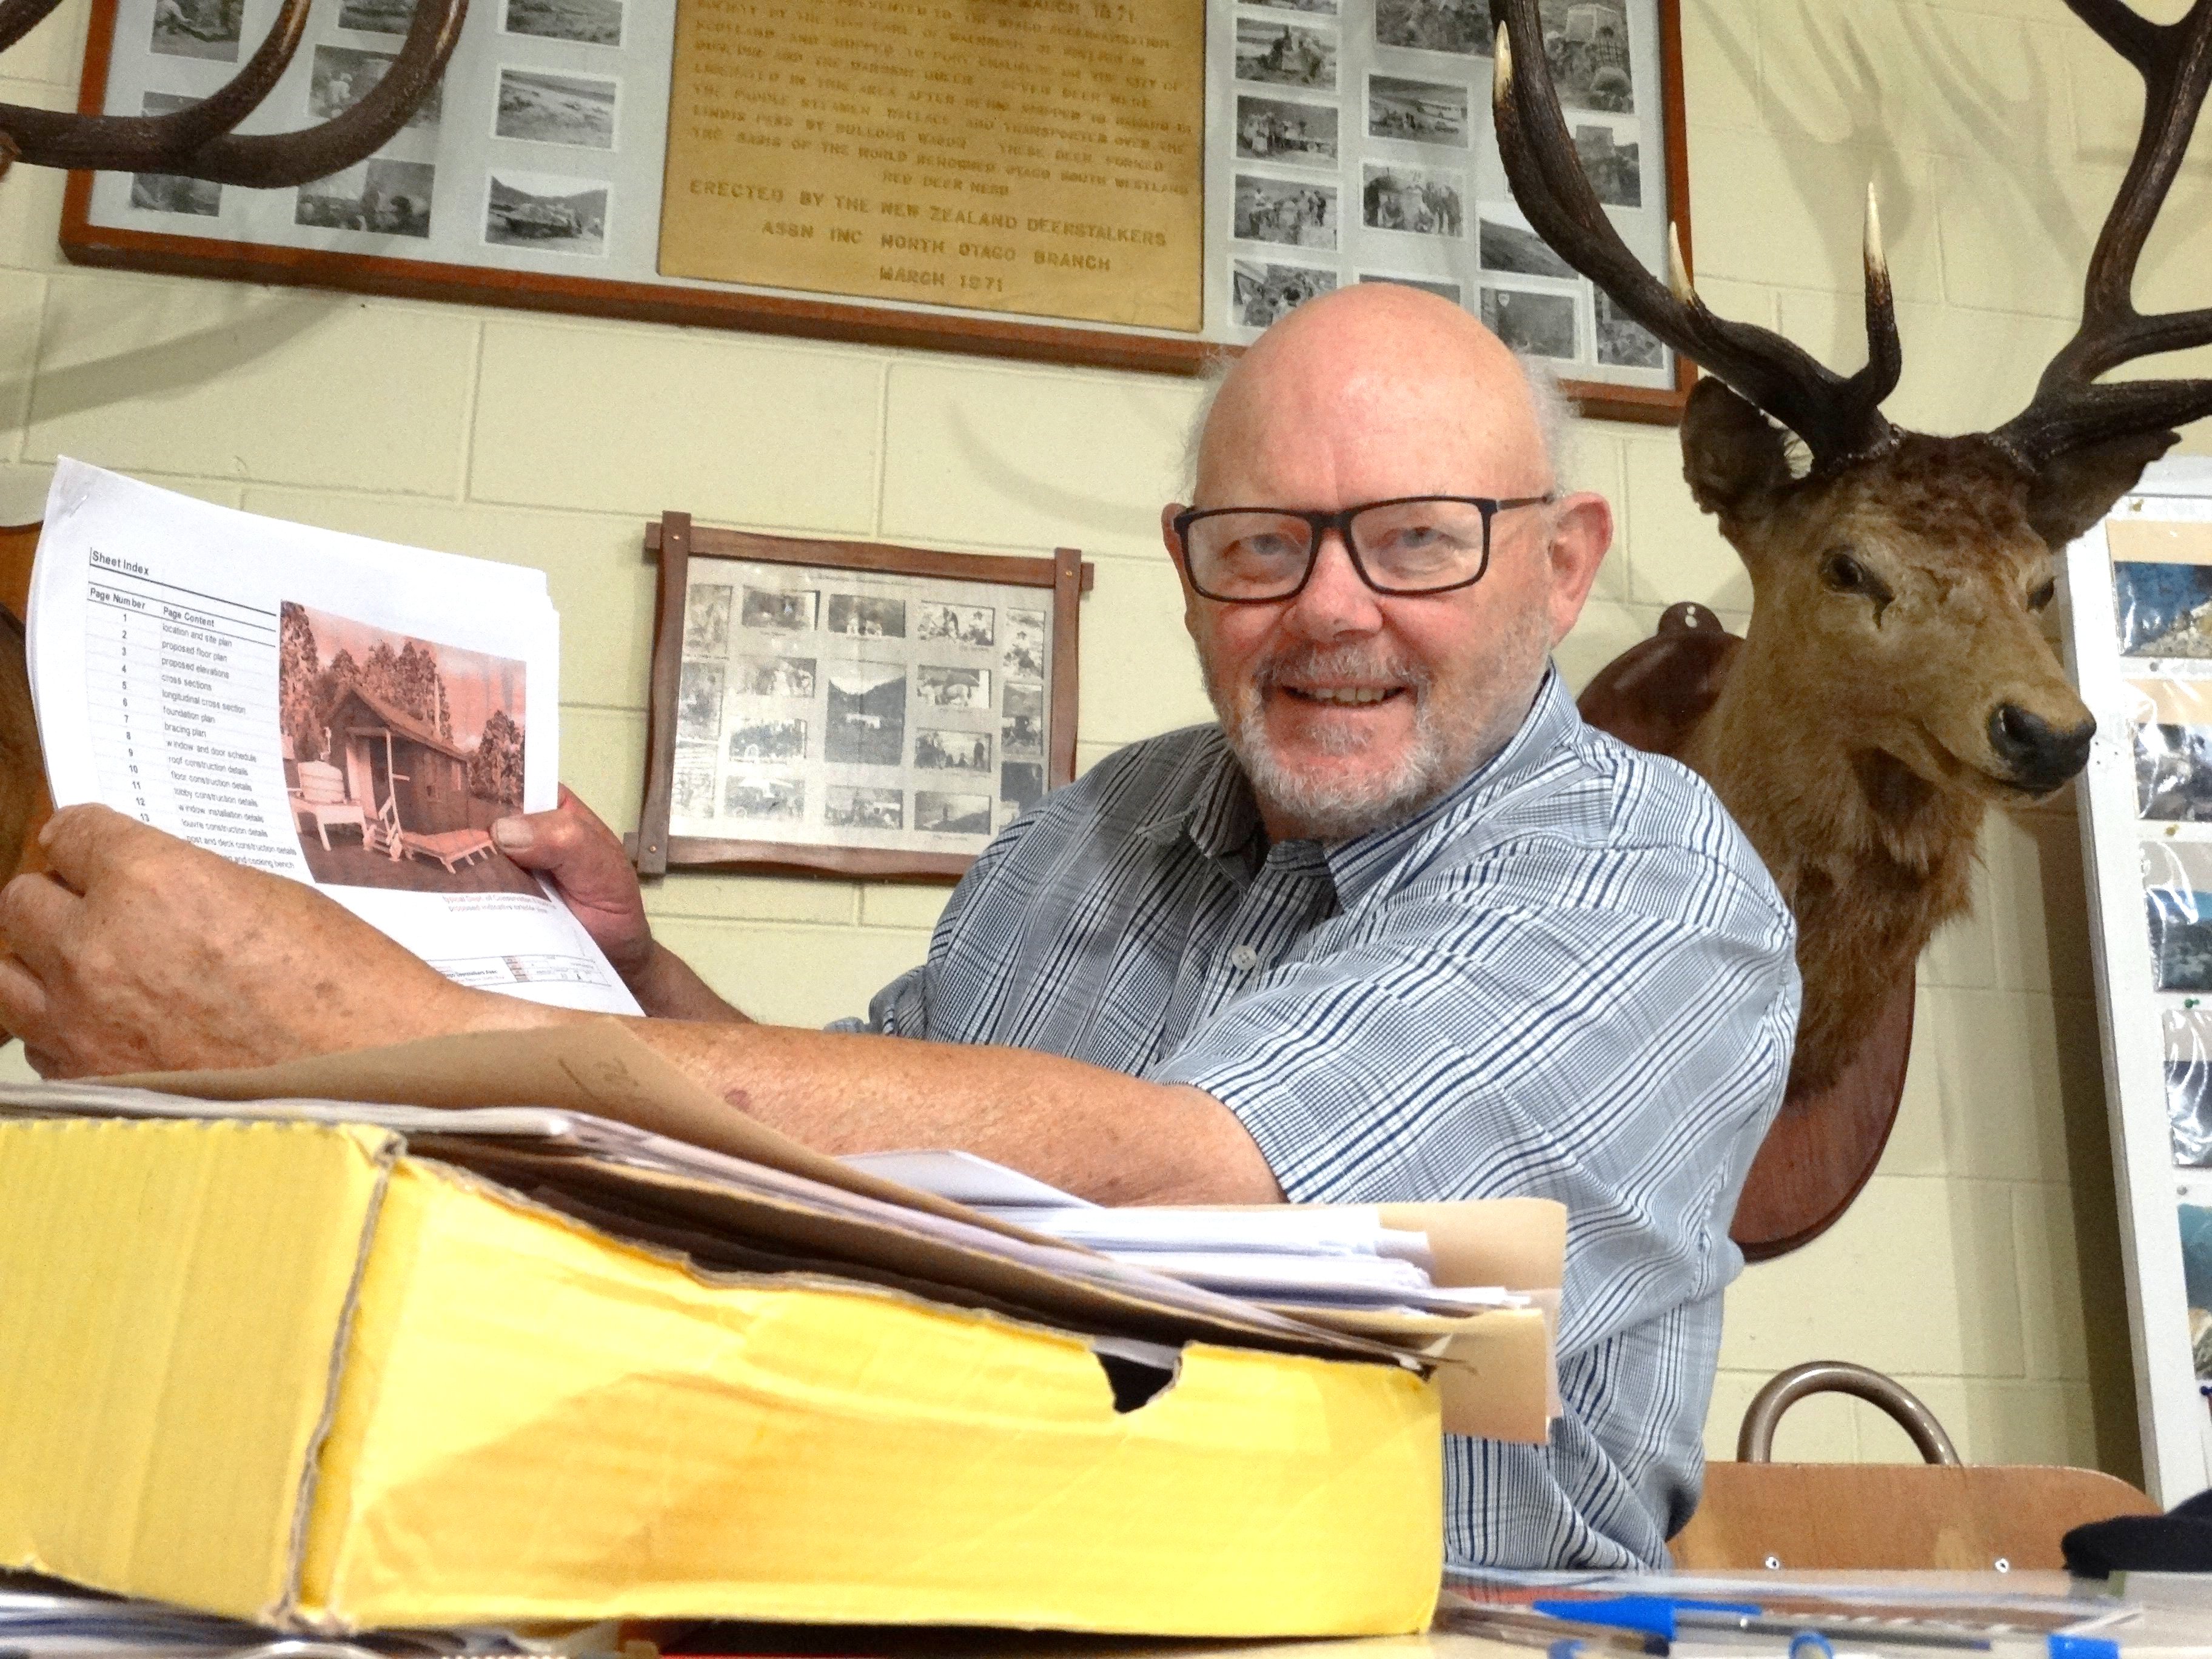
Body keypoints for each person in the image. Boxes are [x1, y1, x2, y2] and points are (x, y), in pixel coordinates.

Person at [0, 284, 1797, 1569]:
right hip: (915, 1577)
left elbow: (1188, 1211)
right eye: (1263, 546)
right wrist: (636, 971)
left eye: (1417, 540)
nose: (1332, 610)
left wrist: (351, 1028)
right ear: (1189, 566)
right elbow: (864, 1156)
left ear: (1561, 567)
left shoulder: (1650, 888)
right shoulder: (1089, 832)